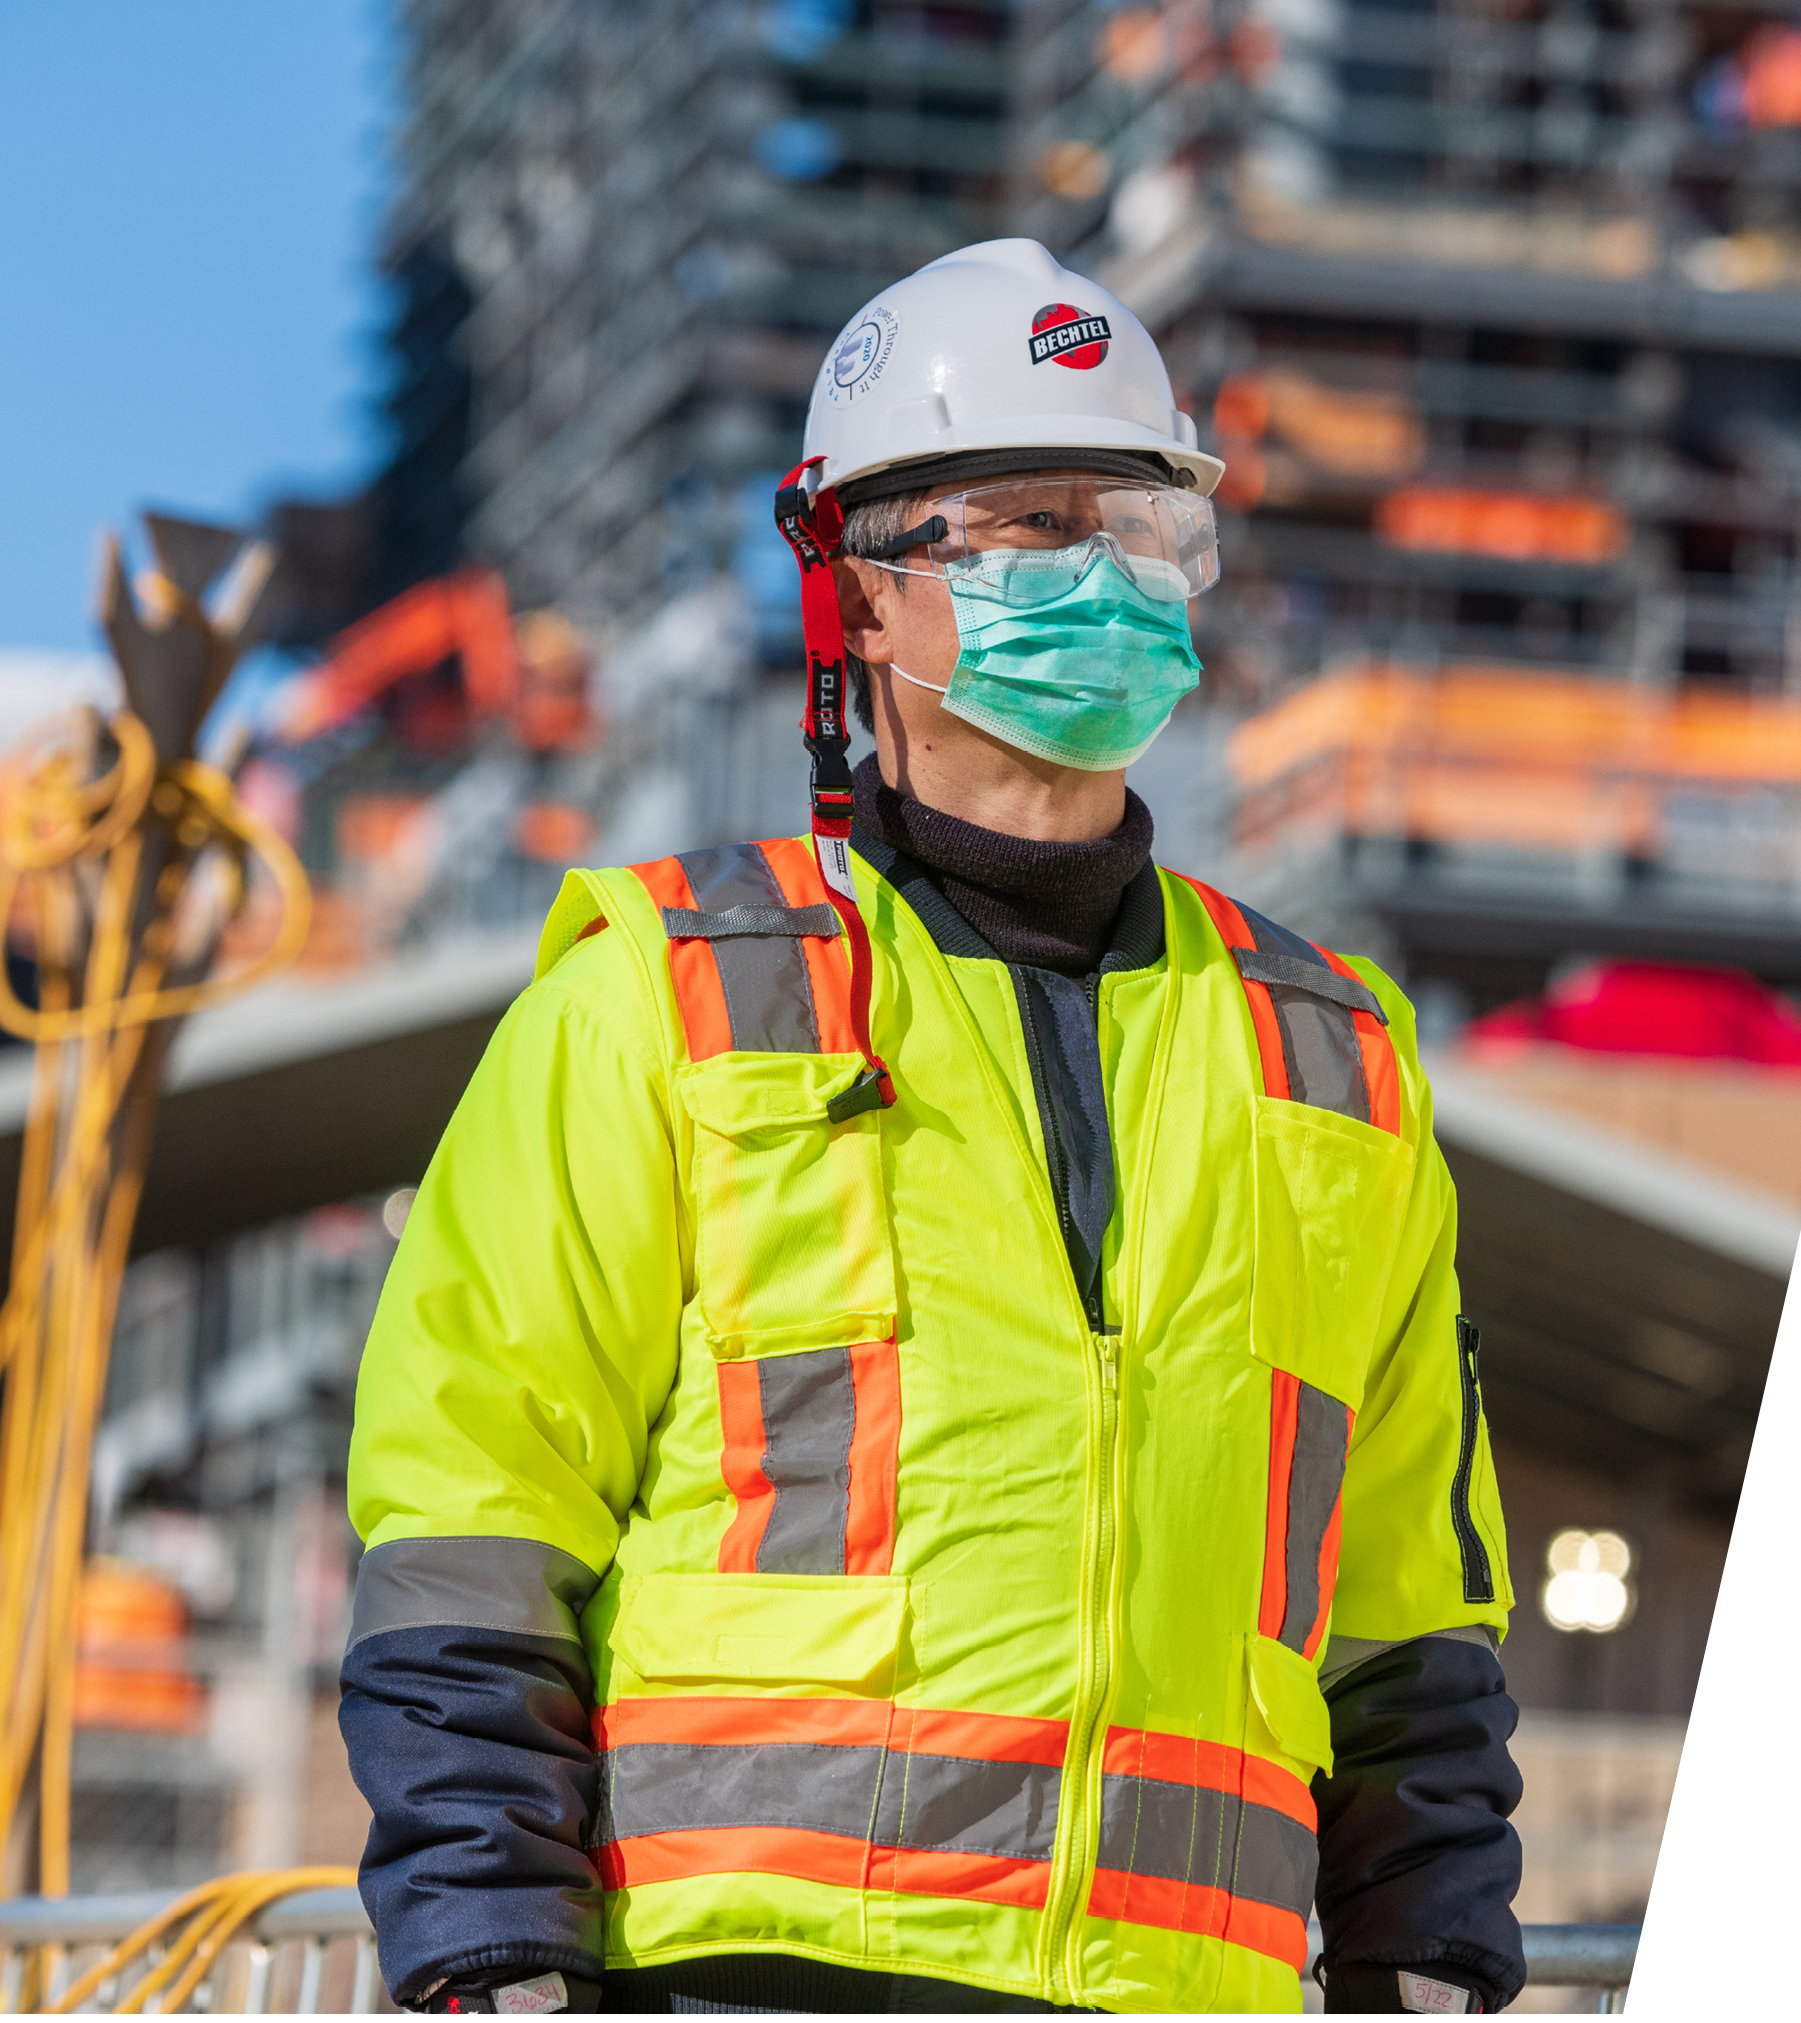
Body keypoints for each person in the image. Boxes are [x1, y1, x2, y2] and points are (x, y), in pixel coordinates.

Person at [341, 239, 1524, 2018]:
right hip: (750, 1978)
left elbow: (1409, 1608)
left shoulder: (1334, 1061)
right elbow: (474, 1513)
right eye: (1026, 525)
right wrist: (490, 1950)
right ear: (862, 600)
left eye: (1138, 526)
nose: (1102, 578)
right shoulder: (656, 999)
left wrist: (1427, 1952)